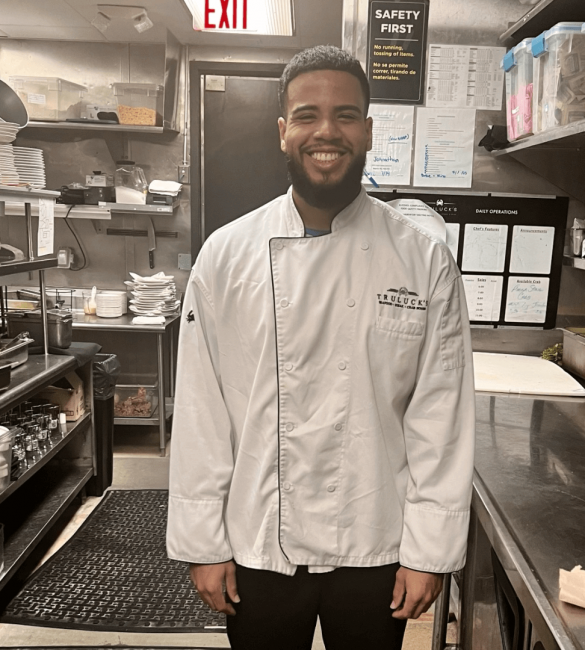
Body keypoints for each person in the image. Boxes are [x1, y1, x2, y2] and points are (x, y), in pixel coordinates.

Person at [167, 45, 475, 650]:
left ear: (367, 130)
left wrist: (431, 551)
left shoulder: (422, 258)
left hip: (376, 539)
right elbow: (202, 411)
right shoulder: (226, 257)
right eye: (307, 115)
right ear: (283, 132)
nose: (325, 132)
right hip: (256, 540)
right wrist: (204, 542)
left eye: (346, 115)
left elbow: (441, 414)